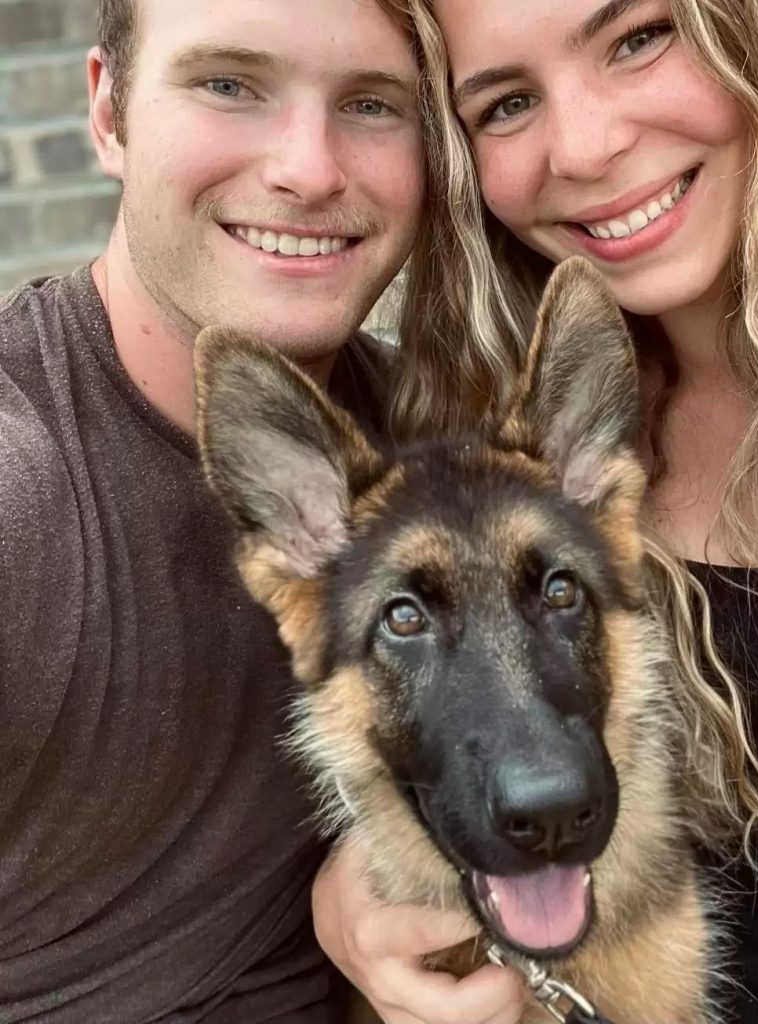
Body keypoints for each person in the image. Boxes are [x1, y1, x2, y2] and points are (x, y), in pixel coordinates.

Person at [313, 0, 758, 1021]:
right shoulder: (493, 444)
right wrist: (360, 884)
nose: (587, 147)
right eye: (506, 104)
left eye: (639, 37)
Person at [0, 0, 517, 1020]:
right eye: (230, 85)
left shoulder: (448, 457)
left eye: (373, 104)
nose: (310, 169)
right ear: (109, 113)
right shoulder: (25, 496)